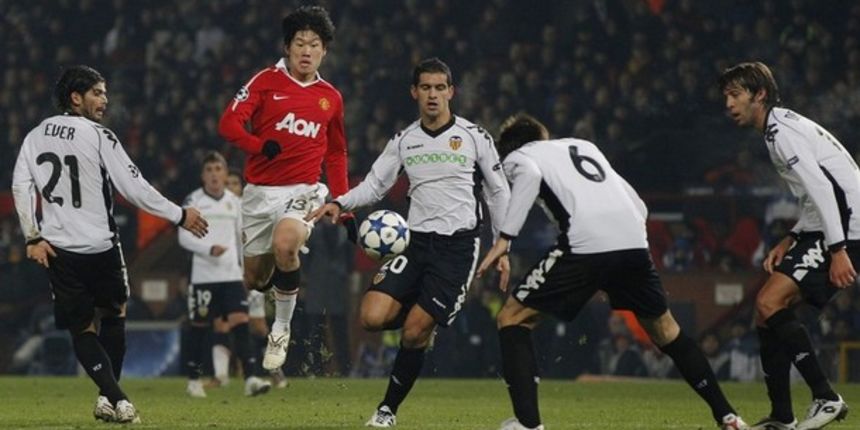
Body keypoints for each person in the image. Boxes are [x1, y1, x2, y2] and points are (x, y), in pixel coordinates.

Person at [477, 114, 748, 430]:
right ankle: (728, 417)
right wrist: (615, 263)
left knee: (511, 317)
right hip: (633, 242)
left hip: (585, 243)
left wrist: (505, 238)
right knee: (666, 330)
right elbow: (638, 204)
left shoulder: (519, 157)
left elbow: (529, 177)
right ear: (545, 136)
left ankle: (528, 424)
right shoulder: (584, 147)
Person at [307, 57, 511, 427]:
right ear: (414, 92)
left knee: (415, 330)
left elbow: (498, 192)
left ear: (451, 91)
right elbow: (373, 186)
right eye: (426, 88)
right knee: (371, 317)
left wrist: (503, 243)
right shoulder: (404, 140)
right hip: (414, 245)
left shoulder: (474, 136)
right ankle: (424, 311)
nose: (433, 95)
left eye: (440, 88)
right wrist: (338, 202)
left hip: (457, 248)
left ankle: (387, 410)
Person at [11, 65, 208, 423]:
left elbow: (20, 186)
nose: (105, 100)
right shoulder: (98, 135)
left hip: (59, 250)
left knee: (82, 328)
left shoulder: (34, 136)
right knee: (114, 315)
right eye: (97, 93)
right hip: (101, 247)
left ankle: (108, 398)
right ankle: (118, 398)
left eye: (105, 92)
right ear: (76, 97)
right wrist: (179, 214)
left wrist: (33, 236)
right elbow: (134, 188)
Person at [719, 61, 855, 430]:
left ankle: (826, 397)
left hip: (847, 227)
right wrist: (793, 235)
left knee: (768, 301)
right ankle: (782, 416)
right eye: (725, 96)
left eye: (735, 94)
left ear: (759, 94)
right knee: (764, 313)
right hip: (830, 225)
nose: (728, 104)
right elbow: (817, 192)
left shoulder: (782, 132)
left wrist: (839, 248)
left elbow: (825, 189)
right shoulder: (778, 127)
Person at [218, 5, 352, 373]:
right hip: (260, 193)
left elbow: (337, 152)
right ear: (288, 48)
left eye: (314, 44)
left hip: (305, 190)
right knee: (256, 278)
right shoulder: (265, 81)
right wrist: (259, 146)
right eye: (299, 44)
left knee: (286, 244)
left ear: (324, 50)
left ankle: (281, 328)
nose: (306, 51)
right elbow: (228, 124)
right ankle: (273, 297)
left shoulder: (331, 98)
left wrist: (343, 202)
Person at [180, 152, 271, 398]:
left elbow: (242, 239)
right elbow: (183, 237)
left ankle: (251, 378)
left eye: (218, 169)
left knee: (241, 324)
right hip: (204, 277)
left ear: (224, 173)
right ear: (203, 176)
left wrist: (245, 269)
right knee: (199, 328)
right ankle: (193, 380)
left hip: (231, 275)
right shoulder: (194, 201)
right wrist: (208, 249)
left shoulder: (234, 202)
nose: (213, 174)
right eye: (209, 169)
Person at [225, 169, 285, 387]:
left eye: (234, 183)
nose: (231, 187)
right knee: (226, 324)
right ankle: (233, 371)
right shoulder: (222, 210)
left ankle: (275, 368)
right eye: (227, 184)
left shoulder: (250, 209)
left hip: (250, 273)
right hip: (228, 274)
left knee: (258, 326)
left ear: (241, 187)